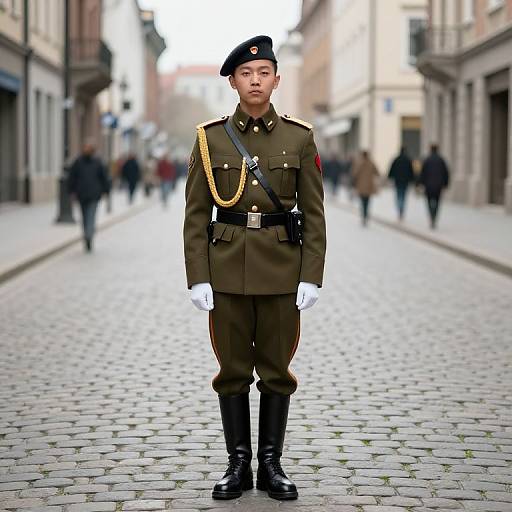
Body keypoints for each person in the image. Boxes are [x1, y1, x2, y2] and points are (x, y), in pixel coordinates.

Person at [183, 35, 326, 501]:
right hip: (226, 272)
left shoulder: (299, 137)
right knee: (232, 371)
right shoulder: (210, 138)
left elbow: (315, 213)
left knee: (277, 370)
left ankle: (271, 464)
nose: (256, 80)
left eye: (264, 72)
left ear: (276, 79)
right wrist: (198, 275)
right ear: (233, 82)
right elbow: (195, 214)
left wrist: (311, 274)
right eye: (247, 73)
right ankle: (238, 464)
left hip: (283, 271)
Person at [68, 141, 110, 252]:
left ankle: (89, 236)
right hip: (81, 195)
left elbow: (104, 178)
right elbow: (72, 177)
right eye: (85, 147)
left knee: (91, 217)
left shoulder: (98, 162)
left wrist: (106, 191)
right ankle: (87, 235)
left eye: (88, 147)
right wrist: (71, 191)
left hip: (94, 195)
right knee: (84, 218)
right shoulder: (78, 162)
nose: (86, 149)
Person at [419, 144, 450, 229]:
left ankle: (431, 216)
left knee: (429, 202)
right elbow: (446, 173)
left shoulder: (427, 160)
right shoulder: (441, 160)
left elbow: (422, 173)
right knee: (437, 202)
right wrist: (446, 184)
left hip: (428, 185)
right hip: (438, 185)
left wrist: (420, 183)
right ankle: (434, 216)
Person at [352, 150, 379, 226]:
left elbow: (355, 173)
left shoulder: (359, 163)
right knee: (367, 201)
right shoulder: (371, 163)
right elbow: (377, 172)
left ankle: (364, 215)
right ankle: (366, 215)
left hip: (361, 186)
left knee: (362, 202)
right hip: (369, 186)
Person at [388, 146, 415, 220]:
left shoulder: (396, 159)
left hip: (398, 181)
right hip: (405, 181)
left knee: (398, 195)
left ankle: (400, 208)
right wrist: (412, 180)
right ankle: (401, 209)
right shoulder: (408, 160)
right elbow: (411, 171)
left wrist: (390, 177)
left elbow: (391, 170)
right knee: (403, 196)